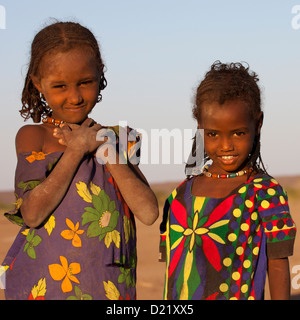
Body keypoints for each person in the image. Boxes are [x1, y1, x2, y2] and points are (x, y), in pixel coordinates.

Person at [2, 21, 158, 300]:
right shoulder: (32, 136)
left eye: (85, 82)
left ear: (100, 74)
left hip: (107, 287)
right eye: (60, 86)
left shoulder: (119, 139)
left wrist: (106, 150)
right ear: (38, 83)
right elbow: (33, 213)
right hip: (46, 286)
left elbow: (147, 212)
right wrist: (76, 150)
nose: (74, 96)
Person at [159, 61, 296, 300]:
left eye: (238, 133)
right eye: (213, 134)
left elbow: (277, 263)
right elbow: (174, 272)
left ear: (258, 123)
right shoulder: (179, 196)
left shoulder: (264, 192)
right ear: (200, 129)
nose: (226, 146)